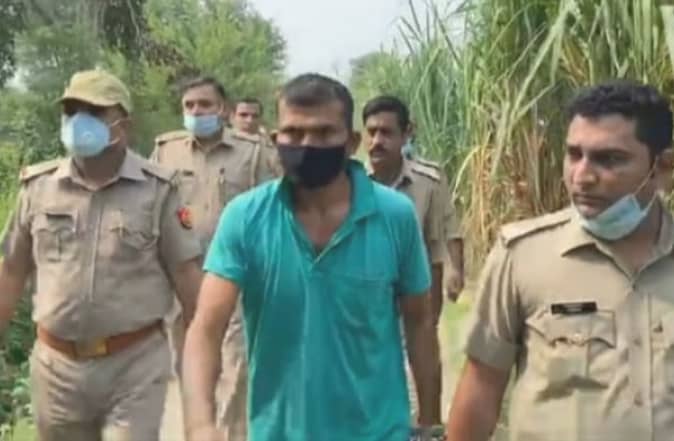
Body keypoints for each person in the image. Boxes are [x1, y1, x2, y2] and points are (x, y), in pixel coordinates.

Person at [182, 73, 438, 441]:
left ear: (351, 143)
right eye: (294, 133)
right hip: (278, 433)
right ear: (275, 141)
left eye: (323, 133)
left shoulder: (395, 216)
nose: (307, 145)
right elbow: (206, 329)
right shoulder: (246, 218)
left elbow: (419, 323)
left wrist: (429, 423)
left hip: (378, 432)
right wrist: (200, 425)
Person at [446, 80, 674, 441]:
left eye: (610, 159)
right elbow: (480, 390)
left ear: (662, 167)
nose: (582, 176)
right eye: (574, 155)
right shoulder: (522, 255)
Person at [0, 69, 203, 441]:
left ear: (123, 125)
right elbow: (11, 269)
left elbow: (187, 277)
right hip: (56, 368)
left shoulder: (158, 190)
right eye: (71, 111)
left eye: (94, 112)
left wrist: (200, 361)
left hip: (134, 365)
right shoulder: (39, 188)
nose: (79, 121)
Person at [150, 77, 278, 441]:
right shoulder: (166, 151)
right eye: (189, 106)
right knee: (189, 361)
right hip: (182, 274)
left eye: (204, 105)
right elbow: (152, 208)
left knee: (236, 365)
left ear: (222, 109)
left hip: (237, 275)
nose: (196, 112)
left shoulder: (252, 152)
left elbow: (269, 208)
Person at [363, 95, 462, 429]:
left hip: (414, 286)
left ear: (406, 134)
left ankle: (429, 425)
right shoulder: (350, 183)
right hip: (366, 289)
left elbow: (441, 234)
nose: (377, 141)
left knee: (423, 355)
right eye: (371, 132)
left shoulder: (427, 181)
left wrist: (455, 271)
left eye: (386, 132)